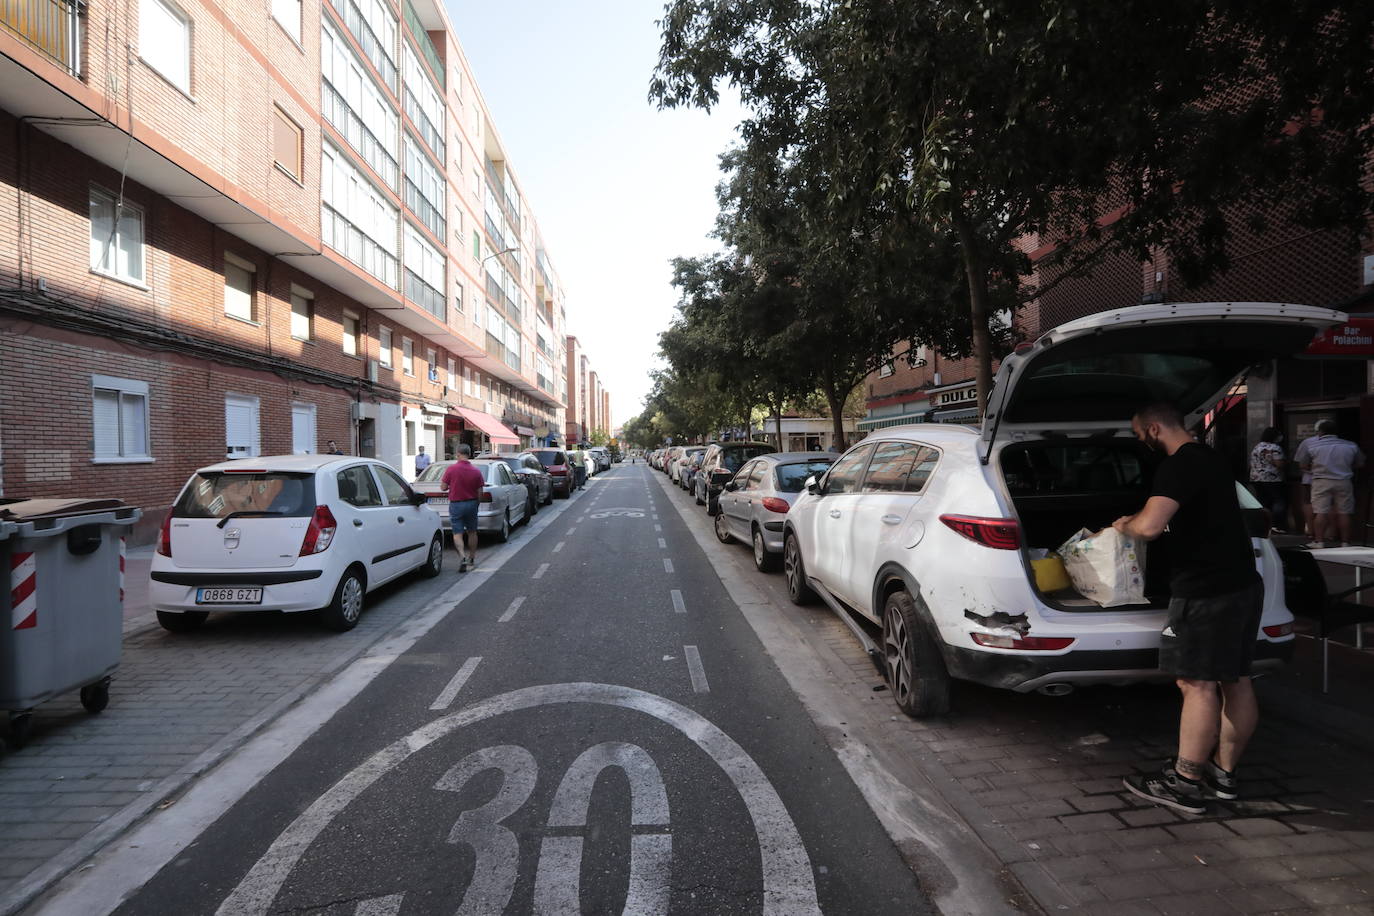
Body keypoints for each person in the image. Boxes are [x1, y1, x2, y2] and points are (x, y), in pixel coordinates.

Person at [1112, 402, 1264, 816]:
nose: (1140, 441)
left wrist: (1124, 524)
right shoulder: (1213, 459)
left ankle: (1184, 783)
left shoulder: (1177, 466)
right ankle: (1224, 775)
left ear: (1155, 429)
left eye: (1139, 433)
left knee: (1195, 685)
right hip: (1243, 584)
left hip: (1204, 591)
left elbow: (1150, 526)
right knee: (1237, 679)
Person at [1294, 419, 1364, 548]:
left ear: (1320, 432)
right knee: (1345, 512)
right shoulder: (1351, 445)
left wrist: (1315, 469)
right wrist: (1345, 468)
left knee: (1320, 512)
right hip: (1344, 481)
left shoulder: (1312, 446)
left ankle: (1319, 542)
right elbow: (1360, 463)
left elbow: (1303, 465)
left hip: (1321, 481)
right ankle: (1345, 542)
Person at [440, 444, 485, 571]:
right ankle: (471, 558)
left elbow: (443, 487)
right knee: (472, 531)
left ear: (458, 454)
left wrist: (451, 485)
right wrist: (477, 504)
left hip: (456, 504)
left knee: (457, 533)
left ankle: (462, 557)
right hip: (471, 503)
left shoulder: (451, 469)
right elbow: (480, 491)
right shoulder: (476, 471)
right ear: (469, 454)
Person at [1248, 427, 1286, 533]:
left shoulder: (1257, 447)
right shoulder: (1274, 448)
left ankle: (1263, 525)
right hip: (1272, 479)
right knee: (1278, 501)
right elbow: (1279, 464)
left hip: (1256, 478)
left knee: (1263, 502)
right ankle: (1275, 525)